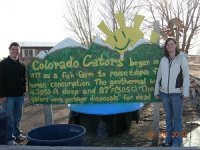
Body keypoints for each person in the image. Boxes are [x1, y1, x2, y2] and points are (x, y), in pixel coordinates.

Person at [154, 37, 190, 147]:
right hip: (164, 94)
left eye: (171, 44)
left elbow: (186, 76)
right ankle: (168, 138)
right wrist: (157, 91)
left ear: (175, 45)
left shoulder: (181, 59)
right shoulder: (163, 60)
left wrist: (186, 92)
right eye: (167, 45)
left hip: (177, 94)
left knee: (177, 118)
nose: (169, 46)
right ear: (166, 47)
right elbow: (159, 76)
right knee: (168, 117)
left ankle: (177, 140)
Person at [0, 42, 27, 145]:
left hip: (20, 96)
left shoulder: (21, 65)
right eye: (13, 49)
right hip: (8, 97)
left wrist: (24, 91)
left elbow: (23, 80)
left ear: (19, 51)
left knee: (18, 117)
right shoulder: (3, 64)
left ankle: (17, 134)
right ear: (9, 50)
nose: (15, 51)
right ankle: (9, 138)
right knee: (9, 118)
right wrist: (1, 95)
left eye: (17, 49)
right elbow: (0, 80)